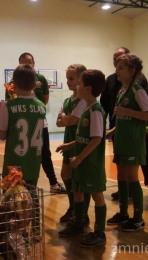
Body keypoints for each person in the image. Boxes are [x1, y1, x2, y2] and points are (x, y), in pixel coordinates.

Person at [57, 70, 107, 247]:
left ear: (88, 88)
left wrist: (79, 158)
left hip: (91, 162)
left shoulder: (96, 110)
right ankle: (78, 224)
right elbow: (82, 138)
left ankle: (100, 233)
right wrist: (69, 146)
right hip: (80, 159)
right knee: (78, 192)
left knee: (96, 195)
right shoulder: (86, 107)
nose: (76, 86)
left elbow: (96, 139)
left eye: (79, 83)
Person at [5, 52, 66, 194]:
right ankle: (18, 187)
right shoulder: (12, 83)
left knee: (45, 154)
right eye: (23, 63)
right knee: (20, 155)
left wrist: (33, 110)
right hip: (20, 125)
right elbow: (9, 102)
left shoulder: (41, 79)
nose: (27, 65)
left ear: (34, 63)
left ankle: (53, 183)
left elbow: (45, 99)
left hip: (39, 123)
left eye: (30, 62)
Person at [106, 54, 148, 231]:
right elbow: (124, 116)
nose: (117, 70)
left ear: (132, 71)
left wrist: (126, 111)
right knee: (121, 176)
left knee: (132, 177)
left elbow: (147, 115)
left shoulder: (137, 90)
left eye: (121, 67)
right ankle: (123, 213)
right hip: (121, 140)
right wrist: (113, 130)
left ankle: (138, 218)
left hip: (133, 141)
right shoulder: (122, 90)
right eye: (117, 66)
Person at [0, 63, 46, 186]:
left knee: (12, 199)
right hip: (34, 162)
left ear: (14, 85)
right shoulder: (41, 106)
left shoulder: (8, 105)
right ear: (35, 85)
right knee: (31, 199)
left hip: (14, 164)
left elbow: (2, 135)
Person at [56, 64, 91, 225]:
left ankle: (81, 213)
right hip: (68, 139)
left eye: (71, 78)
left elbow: (69, 120)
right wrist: (66, 118)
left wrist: (64, 116)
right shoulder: (67, 100)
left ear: (80, 79)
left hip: (79, 142)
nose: (68, 82)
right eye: (67, 78)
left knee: (80, 180)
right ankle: (73, 208)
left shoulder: (84, 101)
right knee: (65, 175)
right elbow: (59, 123)